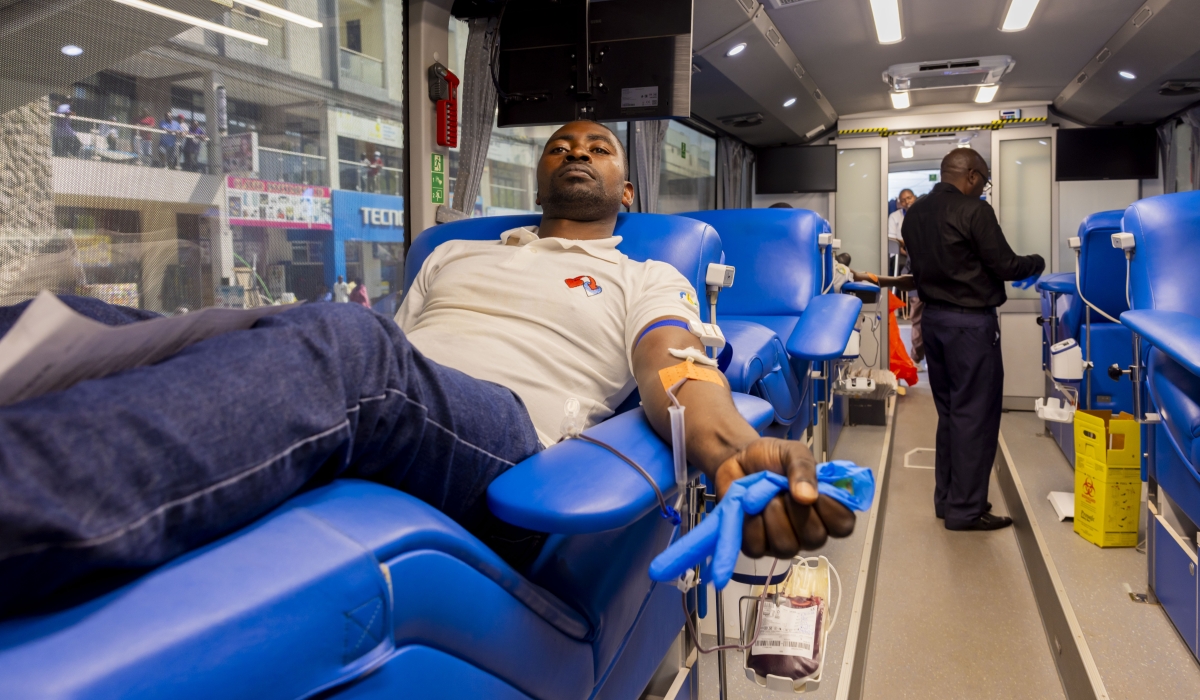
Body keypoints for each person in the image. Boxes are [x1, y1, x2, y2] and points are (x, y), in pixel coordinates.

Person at [0, 120, 856, 613]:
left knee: (352, 347)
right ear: (539, 172)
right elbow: (387, 363)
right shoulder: (456, 257)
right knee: (78, 317)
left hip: (506, 438)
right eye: (561, 145)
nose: (578, 152)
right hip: (396, 402)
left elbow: (678, 368)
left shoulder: (647, 272)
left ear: (628, 193)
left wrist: (732, 446)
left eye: (599, 147)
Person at [901, 149, 1044, 532]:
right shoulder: (975, 211)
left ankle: (948, 501)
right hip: (970, 328)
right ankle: (966, 510)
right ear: (974, 176)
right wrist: (1038, 262)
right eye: (984, 182)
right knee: (975, 417)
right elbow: (1006, 265)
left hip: (934, 323)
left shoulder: (914, 215)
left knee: (949, 413)